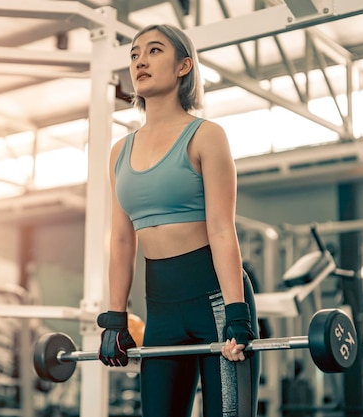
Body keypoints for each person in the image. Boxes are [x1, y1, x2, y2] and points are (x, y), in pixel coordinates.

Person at [97, 24, 260, 417]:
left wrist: (237, 312)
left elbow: (222, 229)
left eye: (154, 51)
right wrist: (115, 316)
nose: (140, 61)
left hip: (217, 300)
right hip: (162, 308)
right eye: (134, 54)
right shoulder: (120, 151)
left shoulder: (206, 136)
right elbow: (121, 240)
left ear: (184, 65)